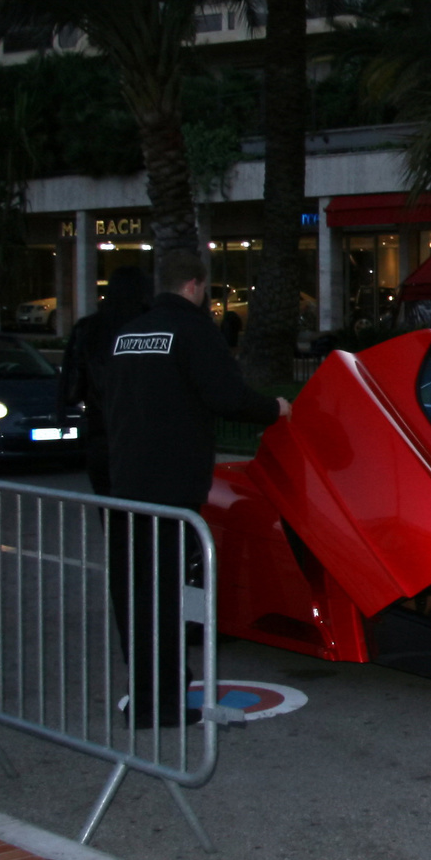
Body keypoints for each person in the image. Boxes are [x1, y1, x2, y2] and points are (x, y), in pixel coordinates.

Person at [97, 250, 291, 729]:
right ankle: (164, 702)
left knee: (135, 593)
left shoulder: (128, 335)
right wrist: (277, 410)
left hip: (124, 483)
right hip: (171, 489)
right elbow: (227, 396)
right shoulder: (193, 330)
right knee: (166, 595)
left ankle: (145, 696)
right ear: (196, 285)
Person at [59, 267, 154, 496]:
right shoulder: (150, 329)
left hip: (102, 436)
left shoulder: (88, 330)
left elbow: (72, 389)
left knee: (111, 515)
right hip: (145, 439)